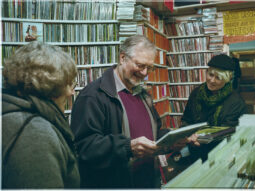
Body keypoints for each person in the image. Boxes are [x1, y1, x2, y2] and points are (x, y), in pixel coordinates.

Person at [70, 35, 187, 188]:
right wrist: (127, 147)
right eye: (140, 65)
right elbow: (83, 148)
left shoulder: (143, 95)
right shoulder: (93, 96)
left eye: (150, 68)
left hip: (147, 182)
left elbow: (153, 134)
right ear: (123, 58)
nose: (145, 73)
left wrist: (173, 140)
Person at [2, 42, 80, 188]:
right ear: (50, 86)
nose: (71, 92)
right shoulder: (34, 133)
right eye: (69, 84)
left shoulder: (12, 113)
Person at [180, 54, 247, 161]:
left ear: (227, 79)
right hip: (194, 155)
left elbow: (229, 131)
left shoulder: (235, 102)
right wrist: (187, 136)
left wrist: (202, 139)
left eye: (218, 78)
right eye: (210, 74)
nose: (212, 80)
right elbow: (186, 120)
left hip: (220, 156)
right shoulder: (196, 93)